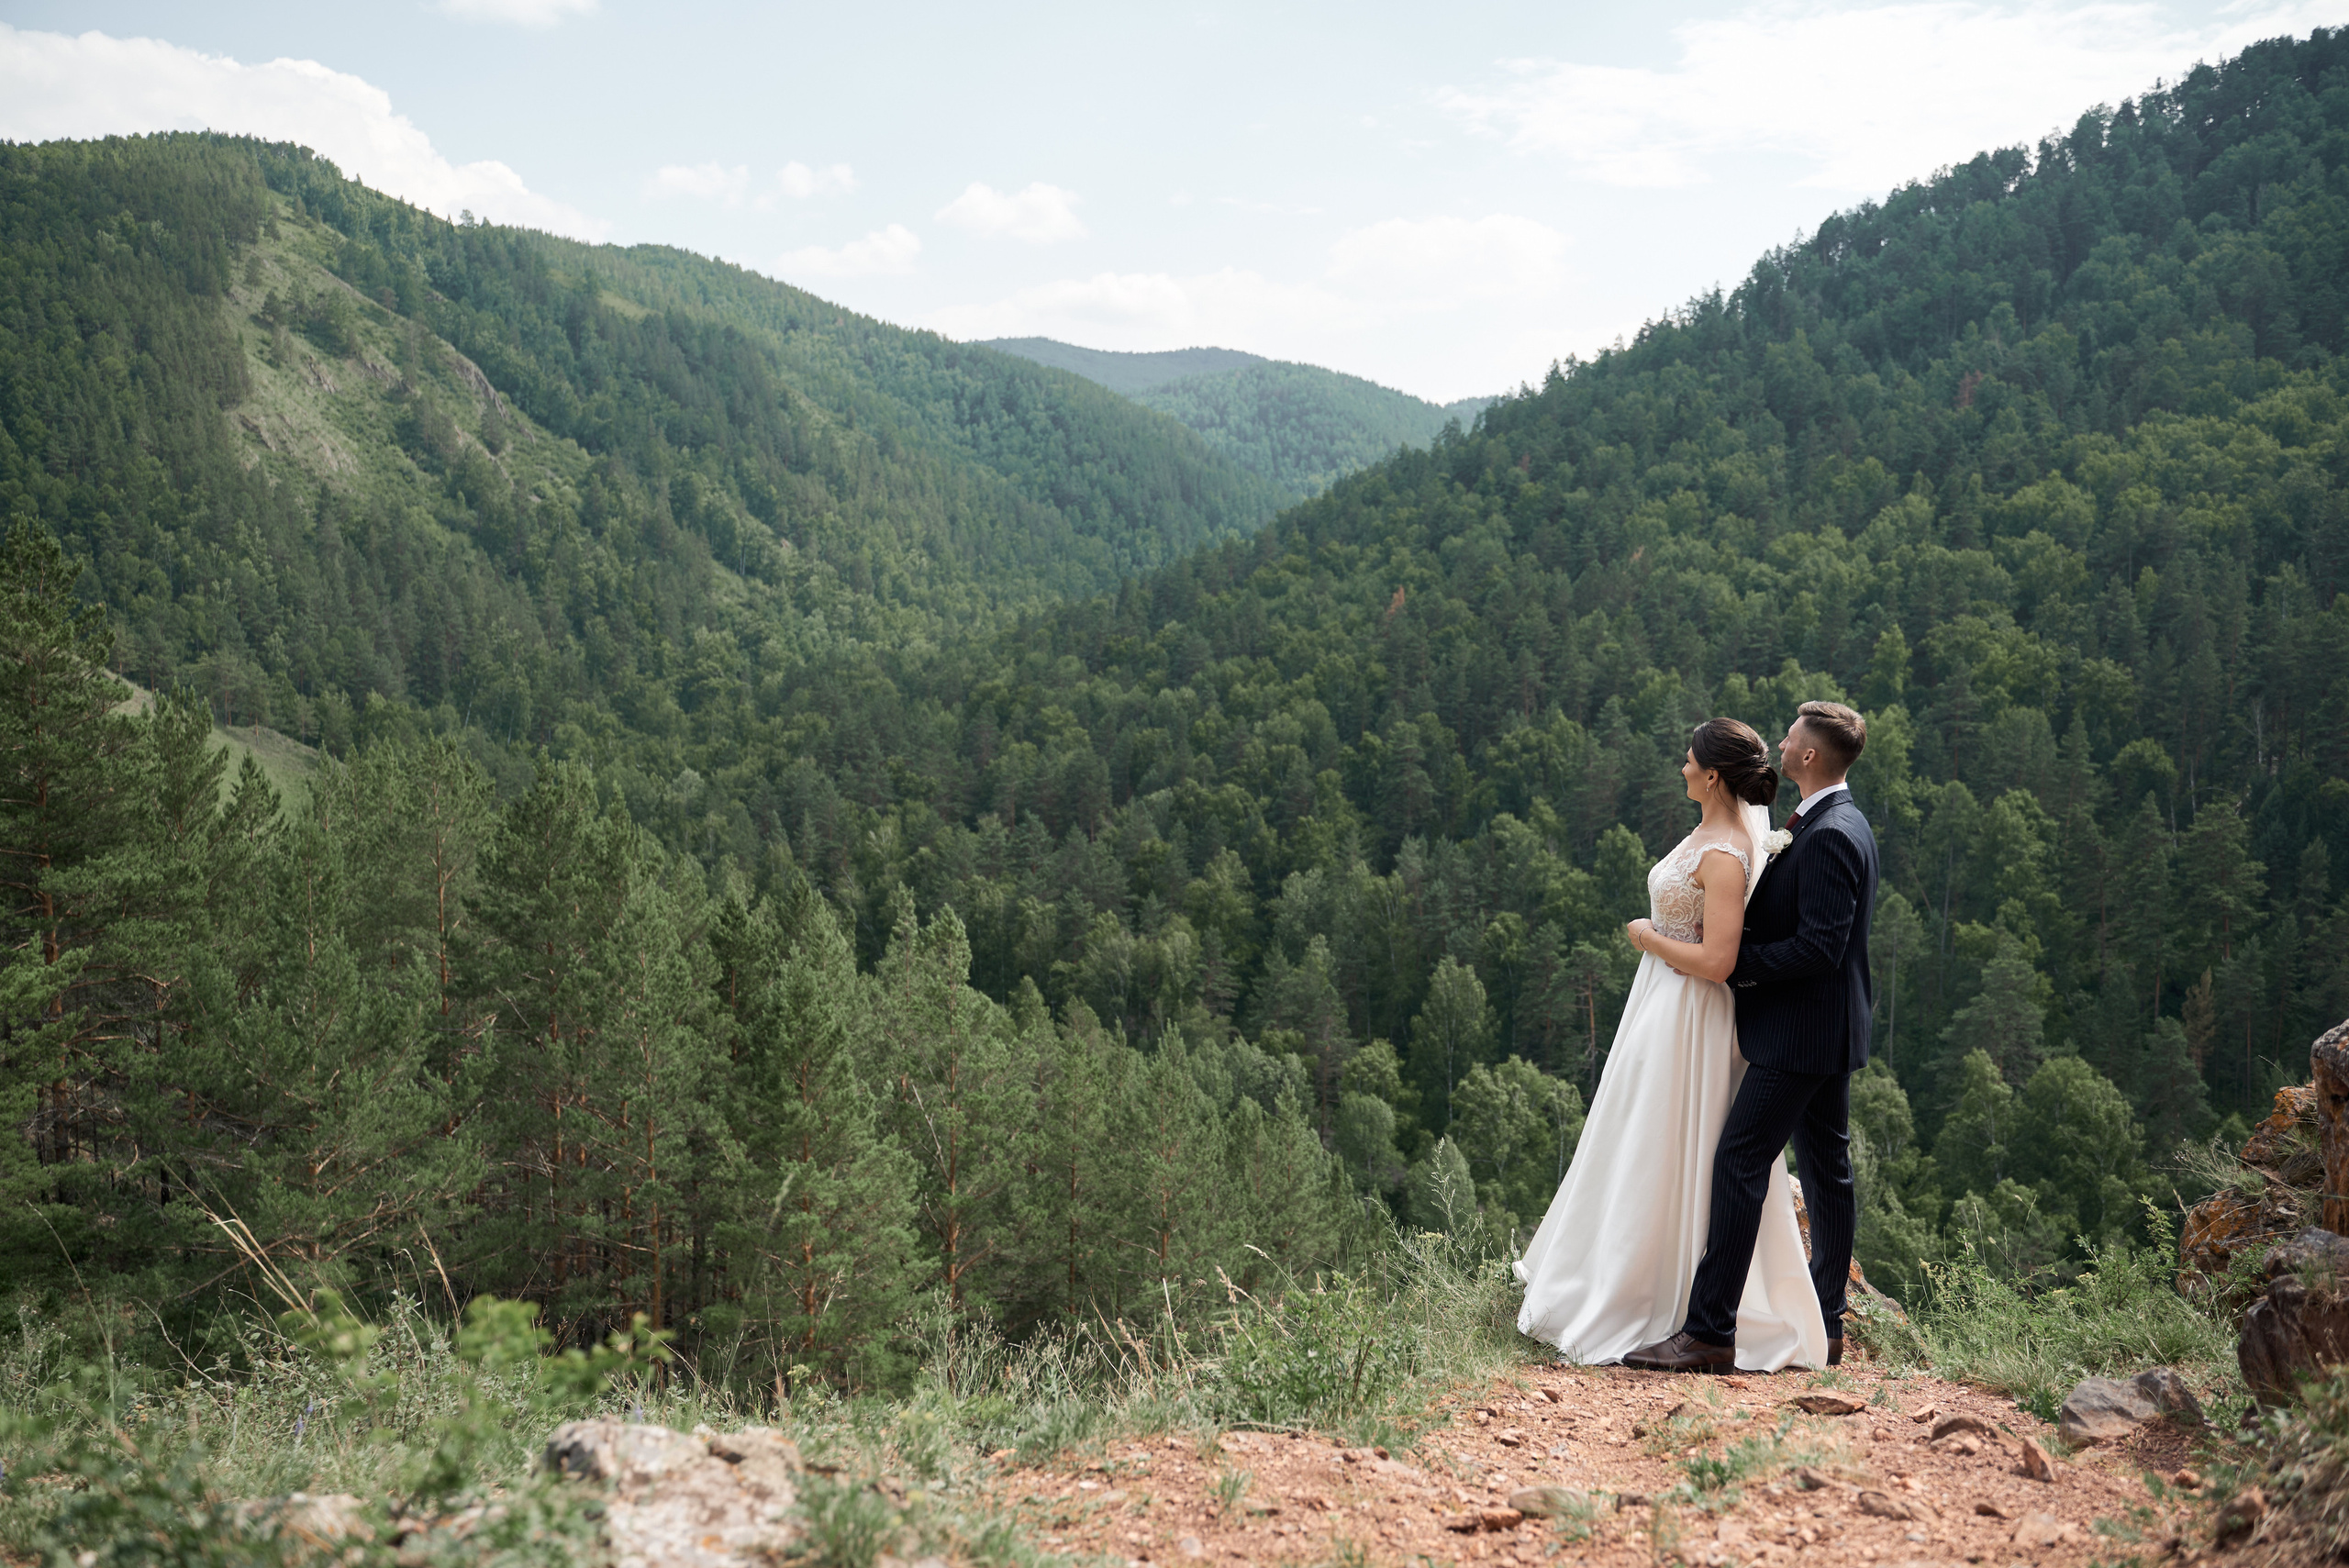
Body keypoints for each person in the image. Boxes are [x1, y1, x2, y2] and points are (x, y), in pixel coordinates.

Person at [1512, 717, 1827, 1373]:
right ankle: (1629, 1274)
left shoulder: (1722, 851)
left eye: (1688, 759)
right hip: (1662, 1005)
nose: (1681, 766)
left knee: (1664, 1143)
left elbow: (1718, 958)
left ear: (1712, 775)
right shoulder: (1725, 828)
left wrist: (1647, 937)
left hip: (1688, 1013)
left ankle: (1649, 1294)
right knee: (1642, 1142)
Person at [1624, 701, 1877, 1374]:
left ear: (1810, 757)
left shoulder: (1828, 833)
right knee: (1828, 1172)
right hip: (1829, 1029)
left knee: (1738, 1162)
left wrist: (1734, 966)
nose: (1783, 742)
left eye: (1792, 737)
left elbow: (1820, 949)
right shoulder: (1830, 820)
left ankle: (1710, 1332)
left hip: (1799, 1032)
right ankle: (1824, 1326)